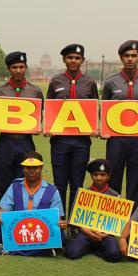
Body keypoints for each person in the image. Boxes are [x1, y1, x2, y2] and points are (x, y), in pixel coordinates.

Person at [103, 40, 138, 206]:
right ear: (121, 58)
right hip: (116, 139)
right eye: (126, 56)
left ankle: (134, 221)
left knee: (137, 180)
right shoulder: (110, 81)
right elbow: (104, 108)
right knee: (113, 178)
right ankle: (112, 220)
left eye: (133, 56)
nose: (130, 59)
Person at [46, 43, 99, 216]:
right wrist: (47, 127)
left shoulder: (90, 83)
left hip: (81, 142)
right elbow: (49, 109)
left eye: (77, 58)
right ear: (64, 59)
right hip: (60, 141)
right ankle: (59, 224)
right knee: (59, 184)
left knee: (77, 185)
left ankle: (75, 224)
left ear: (82, 60)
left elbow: (95, 109)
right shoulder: (55, 81)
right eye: (70, 58)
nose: (73, 61)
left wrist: (95, 127)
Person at [0, 152, 67, 256]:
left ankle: (10, 250)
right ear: (23, 168)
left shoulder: (52, 191)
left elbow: (57, 219)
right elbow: (4, 211)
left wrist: (61, 224)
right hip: (18, 229)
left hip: (40, 231)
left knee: (60, 235)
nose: (31, 171)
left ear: (41, 167)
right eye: (28, 167)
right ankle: (43, 251)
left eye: (35, 167)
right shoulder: (15, 186)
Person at [0, 52, 44, 199]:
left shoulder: (35, 90)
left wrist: (37, 127)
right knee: (4, 182)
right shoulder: (0, 90)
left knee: (26, 183)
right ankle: (4, 218)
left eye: (21, 67)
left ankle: (21, 219)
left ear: (26, 67)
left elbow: (39, 115)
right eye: (14, 67)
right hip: (5, 142)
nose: (18, 70)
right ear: (8, 68)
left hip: (25, 142)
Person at [65, 159, 122, 262]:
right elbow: (76, 218)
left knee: (115, 255)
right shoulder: (83, 193)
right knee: (71, 253)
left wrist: (106, 234)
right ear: (91, 176)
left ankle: (94, 249)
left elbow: (117, 222)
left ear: (108, 176)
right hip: (86, 233)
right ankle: (90, 246)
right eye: (95, 174)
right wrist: (86, 231)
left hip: (105, 235)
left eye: (103, 174)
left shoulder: (115, 196)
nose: (99, 178)